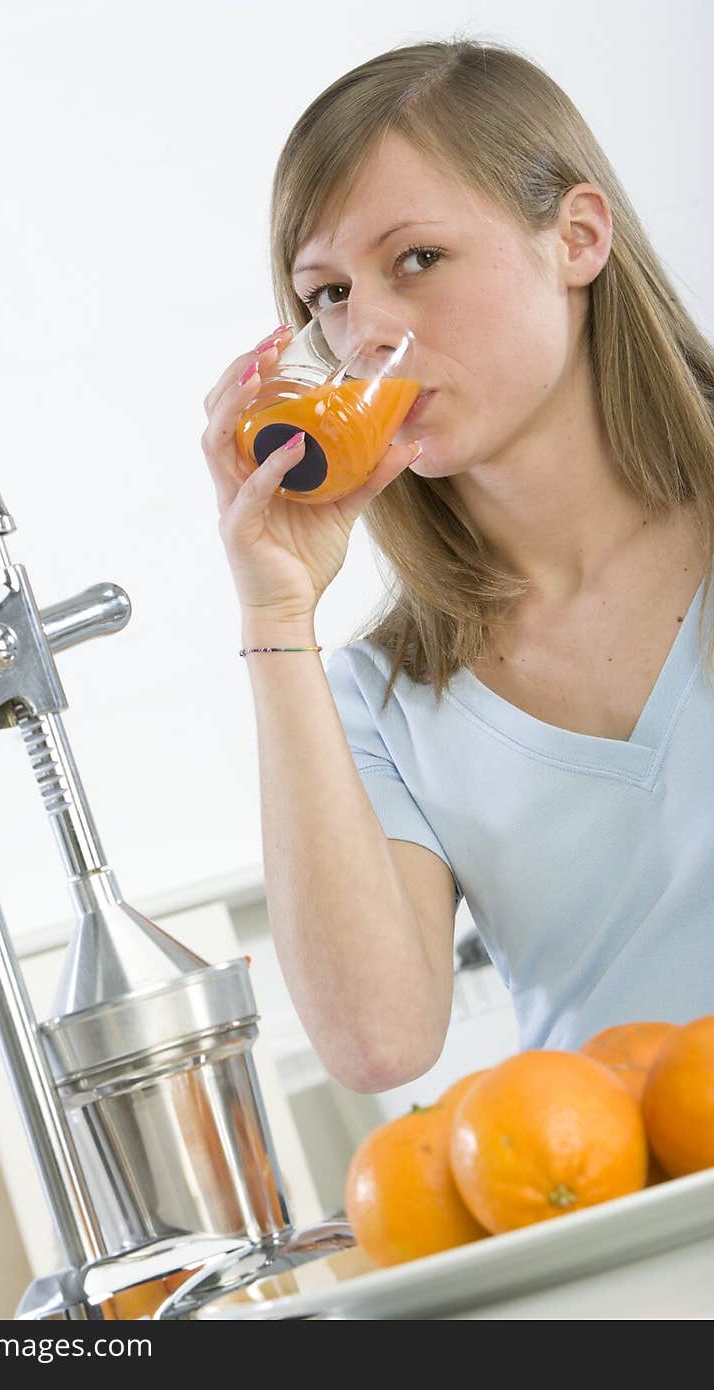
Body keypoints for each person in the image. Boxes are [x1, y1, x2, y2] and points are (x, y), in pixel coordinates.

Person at [200, 37, 714, 1093]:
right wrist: (276, 612)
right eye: (328, 294)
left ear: (575, 238)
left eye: (416, 261)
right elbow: (376, 1043)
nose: (364, 330)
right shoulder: (381, 699)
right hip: (621, 1219)